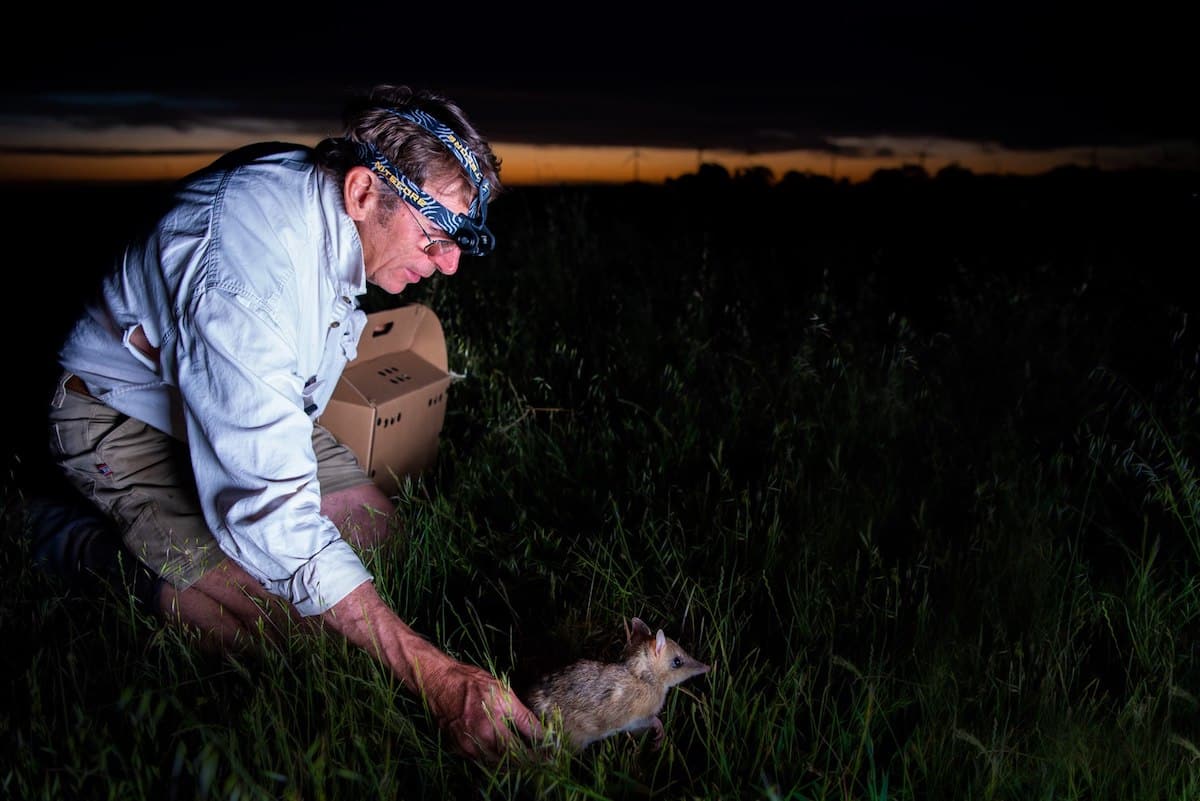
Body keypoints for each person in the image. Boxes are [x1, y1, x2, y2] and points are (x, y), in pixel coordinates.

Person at [34, 84, 541, 761]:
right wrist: (439, 676)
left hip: (241, 398)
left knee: (383, 541)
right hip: (123, 415)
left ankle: (186, 540)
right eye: (436, 234)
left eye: (460, 239)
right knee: (289, 630)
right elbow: (272, 520)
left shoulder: (332, 200)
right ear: (364, 192)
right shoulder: (243, 275)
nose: (448, 262)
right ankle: (70, 540)